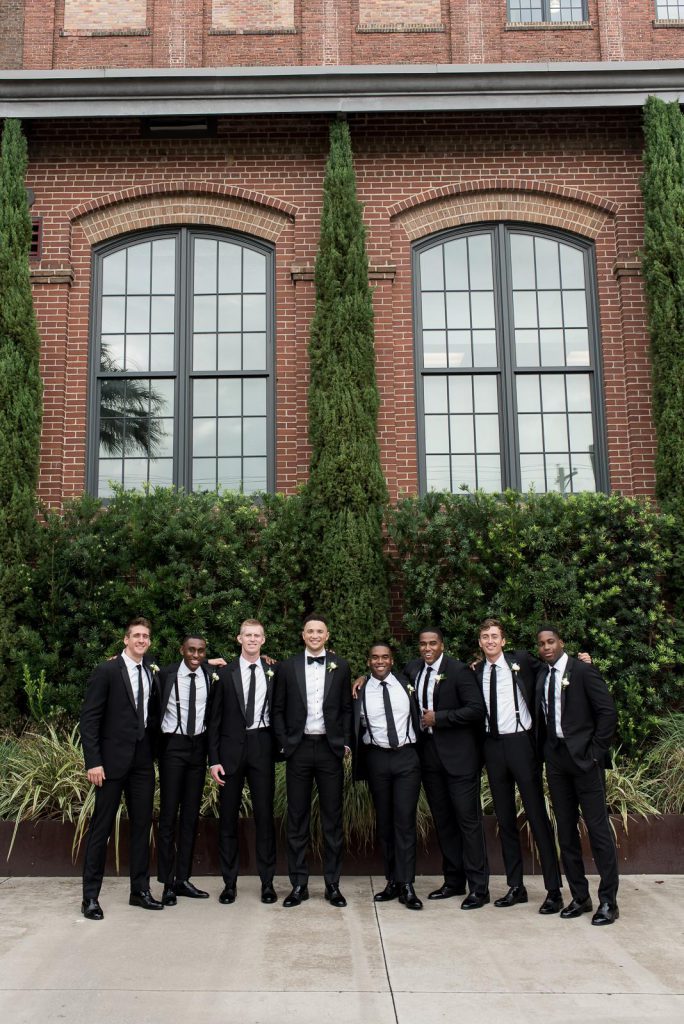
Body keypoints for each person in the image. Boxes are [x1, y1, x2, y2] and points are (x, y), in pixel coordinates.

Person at [475, 618, 564, 914]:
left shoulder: (522, 661)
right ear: (479, 642)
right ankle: (516, 886)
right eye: (485, 636)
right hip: (492, 746)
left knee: (537, 814)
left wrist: (582, 662)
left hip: (521, 744)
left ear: (504, 640)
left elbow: (555, 669)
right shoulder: (475, 672)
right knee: (505, 819)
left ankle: (554, 890)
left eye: (494, 636)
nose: (490, 641)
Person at [536, 624, 619, 925]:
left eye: (551, 641)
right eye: (542, 643)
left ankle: (608, 901)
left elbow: (607, 713)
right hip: (556, 762)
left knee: (598, 832)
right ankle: (580, 896)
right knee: (566, 832)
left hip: (585, 761)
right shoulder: (542, 675)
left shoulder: (582, 671)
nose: (546, 647)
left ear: (561, 642)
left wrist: (595, 753)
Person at [79, 617, 162, 919]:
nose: (141, 640)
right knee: (101, 830)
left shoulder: (152, 669)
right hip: (110, 763)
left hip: (142, 761)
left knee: (142, 827)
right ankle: (90, 897)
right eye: (136, 635)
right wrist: (93, 761)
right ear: (126, 639)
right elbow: (89, 719)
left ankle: (139, 891)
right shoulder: (107, 671)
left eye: (146, 636)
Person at [405, 628, 489, 909]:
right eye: (423, 644)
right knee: (444, 821)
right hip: (429, 759)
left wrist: (440, 718)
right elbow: (387, 677)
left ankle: (479, 887)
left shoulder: (459, 671)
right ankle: (453, 881)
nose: (427, 648)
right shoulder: (413, 669)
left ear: (442, 645)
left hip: (460, 759)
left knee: (468, 822)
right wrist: (360, 679)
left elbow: (476, 709)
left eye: (433, 643)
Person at [272, 614, 352, 908]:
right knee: (297, 818)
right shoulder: (287, 666)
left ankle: (333, 884)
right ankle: (298, 884)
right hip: (299, 749)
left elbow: (346, 707)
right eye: (310, 631)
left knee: (332, 819)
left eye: (320, 631)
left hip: (329, 750)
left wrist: (343, 741)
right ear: (302, 635)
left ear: (327, 635)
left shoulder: (341, 666)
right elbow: (276, 708)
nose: (315, 635)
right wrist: (285, 742)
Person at [208, 619, 279, 905]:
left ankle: (267, 882)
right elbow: (213, 721)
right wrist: (213, 759)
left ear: (263, 639)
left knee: (264, 818)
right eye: (247, 635)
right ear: (239, 638)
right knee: (228, 820)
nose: (252, 639)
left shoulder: (275, 670)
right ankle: (229, 883)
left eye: (257, 635)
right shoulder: (224, 673)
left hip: (262, 747)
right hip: (230, 754)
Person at [353, 643, 423, 909]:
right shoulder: (359, 690)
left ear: (392, 660)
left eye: (384, 657)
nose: (379, 661)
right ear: (368, 661)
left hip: (406, 757)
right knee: (384, 822)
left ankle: (407, 884)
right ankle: (392, 880)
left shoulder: (408, 682)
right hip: (377, 758)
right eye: (374, 658)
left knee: (404, 821)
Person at [155, 634, 212, 906]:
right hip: (172, 747)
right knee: (168, 815)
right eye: (191, 650)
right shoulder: (164, 674)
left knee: (190, 816)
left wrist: (263, 658)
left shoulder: (211, 675)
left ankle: (183, 878)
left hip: (198, 749)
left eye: (201, 651)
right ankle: (166, 882)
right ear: (181, 650)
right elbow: (137, 665)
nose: (196, 655)